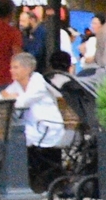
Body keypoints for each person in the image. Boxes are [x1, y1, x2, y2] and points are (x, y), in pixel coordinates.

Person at [6, 50, 70, 187]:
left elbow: (22, 102)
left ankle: (18, 181)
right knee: (7, 135)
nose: (11, 70)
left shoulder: (38, 83)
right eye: (11, 67)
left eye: (15, 67)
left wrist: (11, 98)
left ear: (28, 69)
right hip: (30, 126)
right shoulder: (16, 86)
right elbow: (0, 99)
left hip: (46, 128)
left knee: (13, 136)